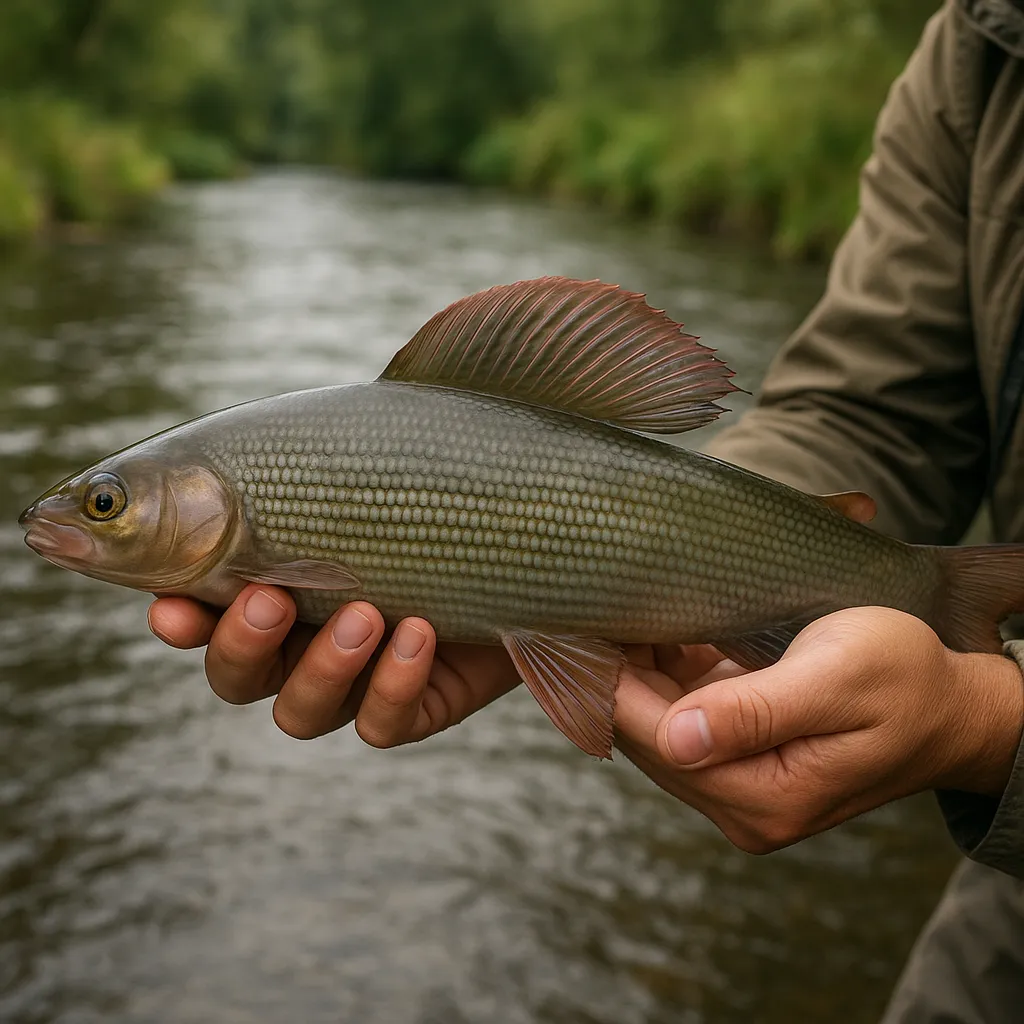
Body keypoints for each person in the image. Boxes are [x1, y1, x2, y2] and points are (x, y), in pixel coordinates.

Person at [148, 1, 1024, 1019]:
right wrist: (638, 571)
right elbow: (874, 409)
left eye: (109, 504)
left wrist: (985, 726)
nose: (73, 525)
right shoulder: (980, 42)